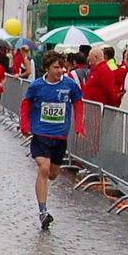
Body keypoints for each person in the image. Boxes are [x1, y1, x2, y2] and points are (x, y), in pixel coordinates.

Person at [19, 51, 85, 230]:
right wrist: (25, 125)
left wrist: (79, 126)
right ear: (47, 68)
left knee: (53, 174)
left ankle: (44, 204)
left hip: (60, 136)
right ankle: (43, 212)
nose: (60, 70)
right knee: (44, 168)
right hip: (41, 135)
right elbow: (26, 104)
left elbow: (78, 103)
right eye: (56, 67)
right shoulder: (37, 86)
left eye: (62, 67)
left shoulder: (70, 85)